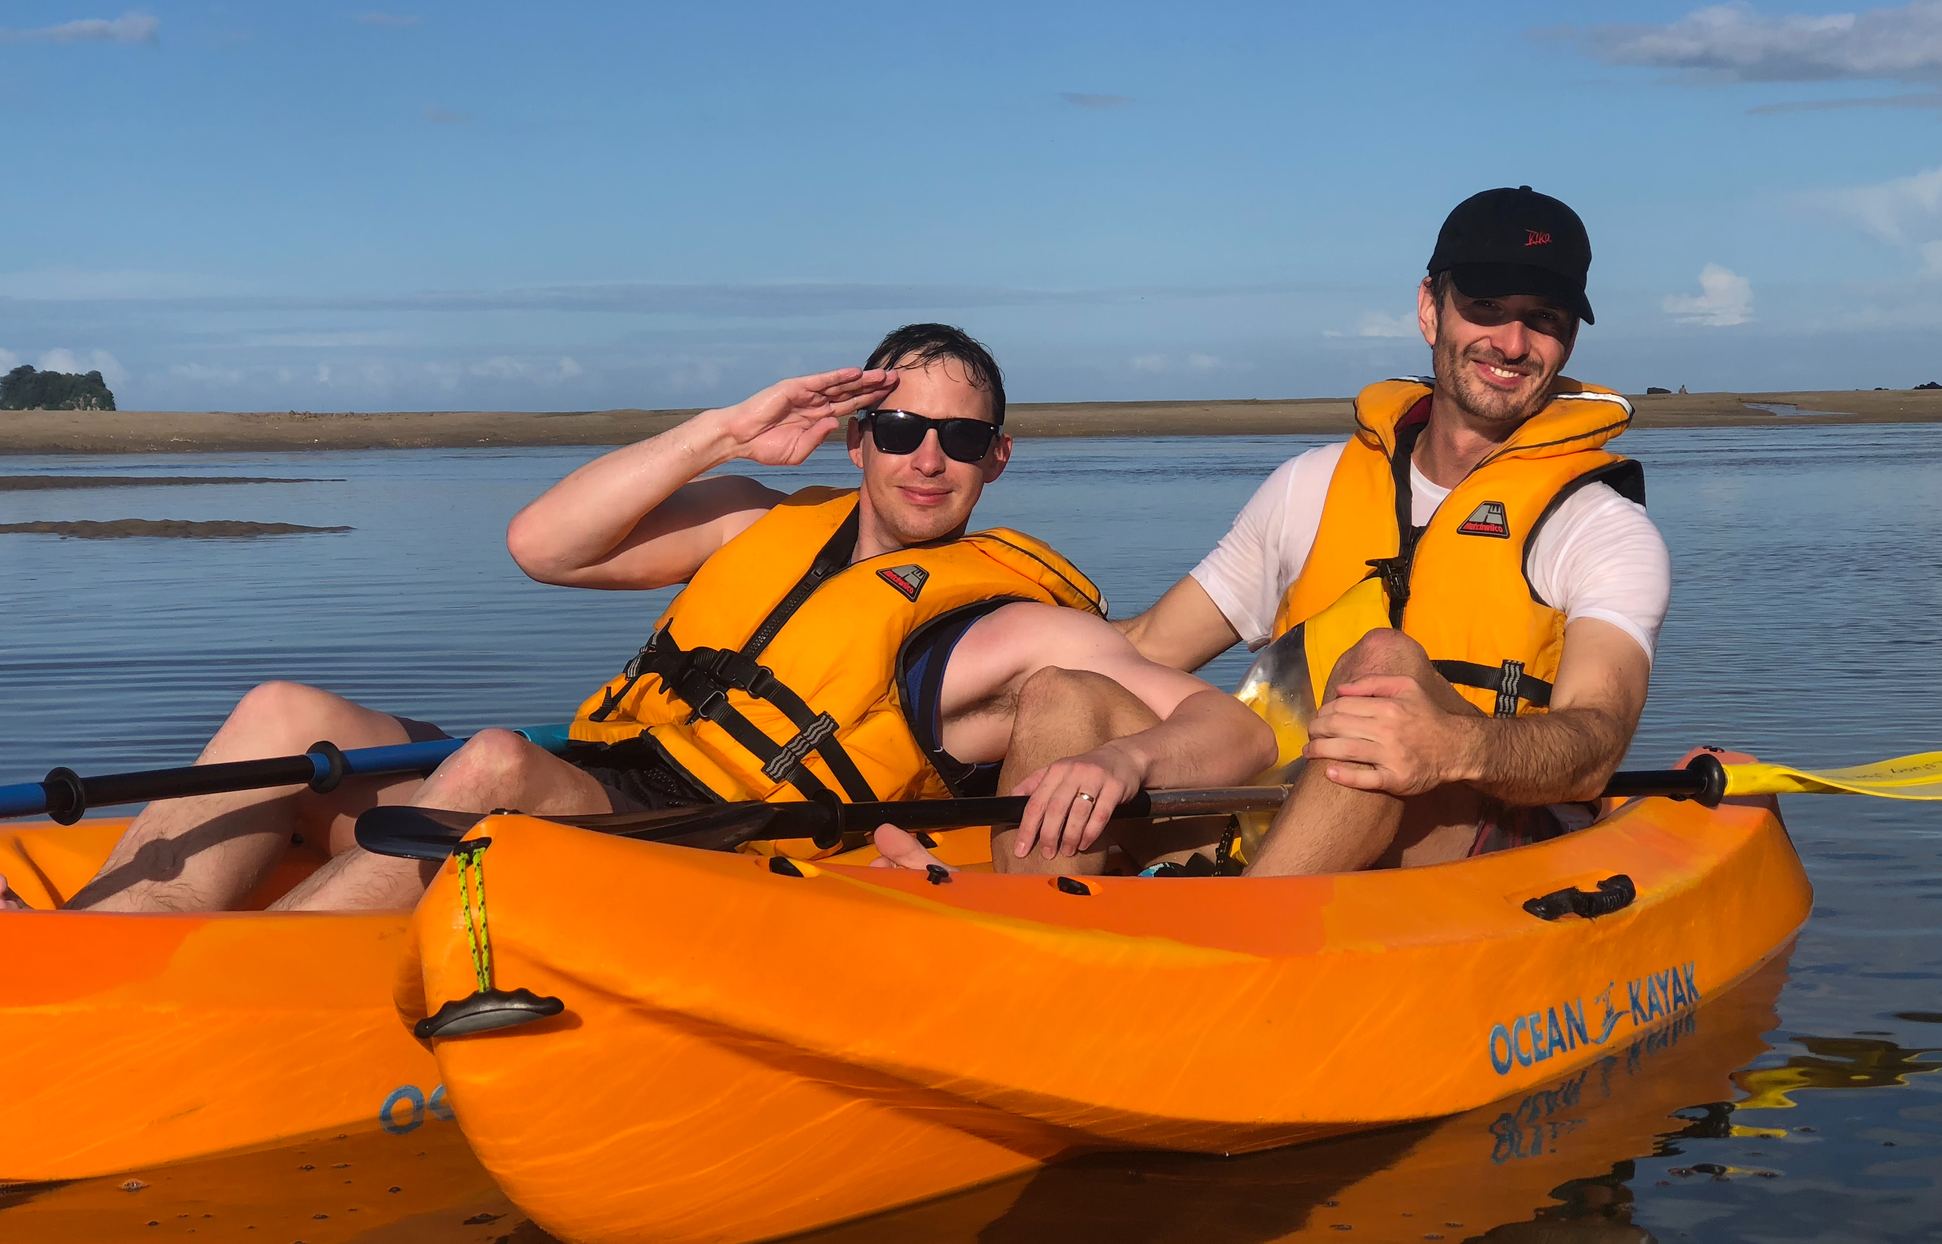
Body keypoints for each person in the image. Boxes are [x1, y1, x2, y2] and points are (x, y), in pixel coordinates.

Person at [19, 324, 1271, 913]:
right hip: (615, 780)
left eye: (958, 439)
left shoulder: (1015, 625)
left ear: (997, 460)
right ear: (854, 437)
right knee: (285, 711)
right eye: (897, 429)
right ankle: (104, 952)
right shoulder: (753, 521)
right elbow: (538, 545)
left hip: (724, 846)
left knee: (499, 764)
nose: (924, 458)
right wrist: (724, 431)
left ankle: (250, 992)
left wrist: (1119, 757)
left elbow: (1234, 736)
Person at [1114, 186, 1670, 877]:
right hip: (1279, 816)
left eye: (1544, 318)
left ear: (1569, 339)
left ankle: (1245, 942)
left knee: (1384, 666)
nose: (1513, 343)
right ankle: (1027, 942)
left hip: (1478, 840)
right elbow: (1145, 650)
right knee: (1066, 696)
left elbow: (1599, 739)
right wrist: (988, 644)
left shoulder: (1599, 527)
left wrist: (1455, 746)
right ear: (1429, 310)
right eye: (1487, 308)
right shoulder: (1309, 486)